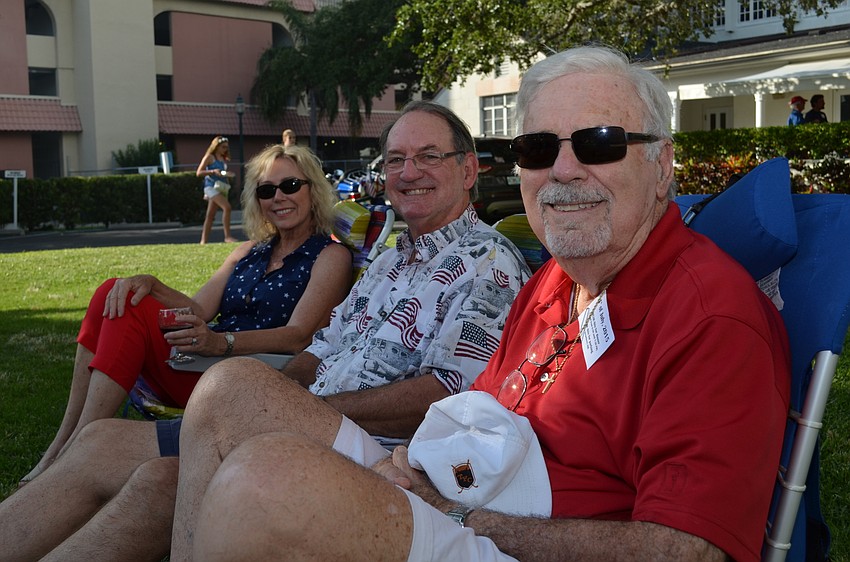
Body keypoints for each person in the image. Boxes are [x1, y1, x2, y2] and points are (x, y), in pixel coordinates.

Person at [171, 46, 791, 562]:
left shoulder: (710, 318)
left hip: (515, 536)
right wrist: (406, 467)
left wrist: (464, 516)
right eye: (538, 149)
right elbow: (475, 408)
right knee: (233, 392)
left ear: (662, 165)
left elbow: (685, 549)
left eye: (600, 143)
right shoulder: (555, 281)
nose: (564, 171)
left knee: (264, 483)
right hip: (461, 480)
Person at [0, 100, 530, 561]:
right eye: (396, 159)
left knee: (230, 387)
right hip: (315, 419)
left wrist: (296, 409)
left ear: (467, 170)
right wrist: (282, 397)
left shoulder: (489, 263)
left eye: (429, 156)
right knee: (128, 460)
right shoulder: (391, 262)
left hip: (383, 452)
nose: (409, 171)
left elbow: (450, 392)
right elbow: (319, 349)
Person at [16, 143, 352, 487]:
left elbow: (298, 335)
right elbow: (199, 310)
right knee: (114, 291)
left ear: (313, 189)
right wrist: (152, 284)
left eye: (291, 186)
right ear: (258, 200)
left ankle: (71, 454)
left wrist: (221, 343)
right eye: (267, 190)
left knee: (126, 306)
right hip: (202, 362)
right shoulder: (249, 251)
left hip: (250, 381)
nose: (279, 197)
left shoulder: (330, 256)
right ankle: (63, 444)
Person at [197, 135, 238, 244]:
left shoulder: (223, 159)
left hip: (220, 187)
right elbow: (199, 172)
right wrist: (212, 171)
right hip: (210, 187)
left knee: (210, 215)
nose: (225, 149)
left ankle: (203, 241)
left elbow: (221, 173)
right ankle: (227, 237)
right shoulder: (209, 157)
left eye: (226, 147)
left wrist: (227, 174)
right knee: (227, 207)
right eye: (223, 147)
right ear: (217, 146)